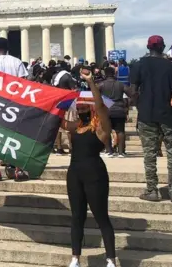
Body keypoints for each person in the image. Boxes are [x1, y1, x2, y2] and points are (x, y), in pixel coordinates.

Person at [61, 68, 116, 267]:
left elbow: (100, 106)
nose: (81, 108)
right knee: (77, 217)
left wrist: (91, 83)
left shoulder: (101, 129)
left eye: (85, 106)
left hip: (95, 174)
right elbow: (59, 118)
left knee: (101, 216)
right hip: (74, 173)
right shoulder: (74, 128)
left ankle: (110, 259)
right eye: (79, 106)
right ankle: (75, 258)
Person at [130, 35, 172, 203]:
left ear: (148, 47)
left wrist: (137, 102)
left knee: (150, 154)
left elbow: (133, 91)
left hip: (147, 115)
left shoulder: (138, 65)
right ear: (163, 47)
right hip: (168, 114)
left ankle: (152, 190)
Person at [0, 38, 29, 181]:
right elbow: (25, 83)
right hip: (14, 103)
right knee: (16, 136)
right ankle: (18, 169)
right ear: (8, 48)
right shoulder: (16, 62)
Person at [99, 67, 131, 158]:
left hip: (106, 110)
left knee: (106, 131)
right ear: (115, 74)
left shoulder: (101, 85)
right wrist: (127, 106)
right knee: (120, 131)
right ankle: (121, 152)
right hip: (119, 109)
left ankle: (109, 151)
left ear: (105, 74)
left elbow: (94, 95)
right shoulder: (121, 85)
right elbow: (131, 94)